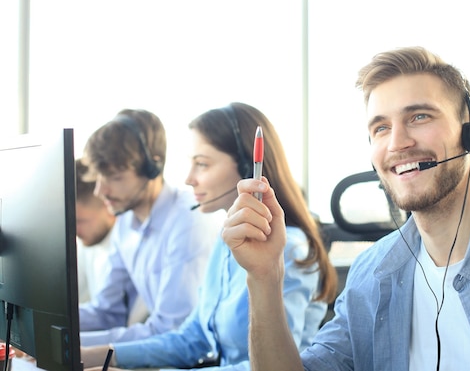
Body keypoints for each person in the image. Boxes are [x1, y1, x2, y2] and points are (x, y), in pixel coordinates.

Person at [222, 46, 470, 370]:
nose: (397, 142)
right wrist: (264, 277)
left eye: (418, 116)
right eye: (380, 127)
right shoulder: (371, 277)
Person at [80, 102, 337, 370]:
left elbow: (277, 364)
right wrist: (99, 354)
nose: (189, 179)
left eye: (201, 164)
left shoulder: (288, 250)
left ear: (249, 167)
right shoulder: (227, 242)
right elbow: (193, 339)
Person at [79, 108, 220, 346]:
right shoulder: (125, 222)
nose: (100, 191)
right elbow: (107, 312)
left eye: (114, 177)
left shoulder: (187, 221)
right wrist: (50, 326)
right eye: (99, 177)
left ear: (152, 169)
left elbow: (170, 331)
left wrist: (71, 345)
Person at [75, 158, 117, 303]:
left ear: (108, 207)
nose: (75, 232)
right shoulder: (87, 243)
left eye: (79, 221)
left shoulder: (125, 250)